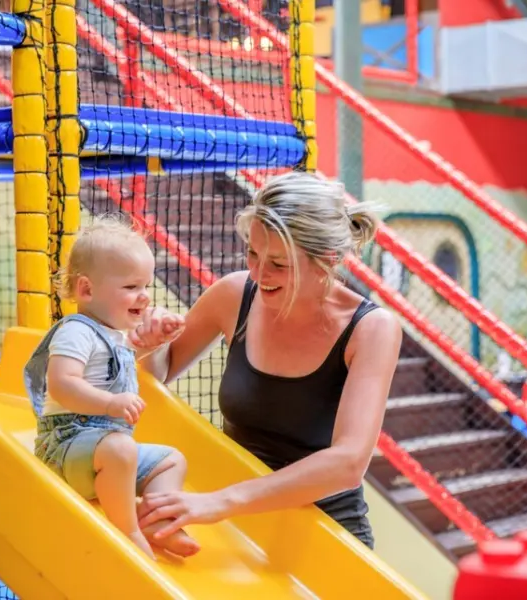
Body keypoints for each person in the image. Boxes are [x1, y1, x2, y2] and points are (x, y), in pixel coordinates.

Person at [131, 171, 402, 549]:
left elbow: (348, 463)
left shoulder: (372, 329)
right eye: (253, 254)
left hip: (325, 534)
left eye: (279, 263)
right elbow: (159, 376)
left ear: (328, 260)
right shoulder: (233, 294)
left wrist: (221, 501)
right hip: (240, 530)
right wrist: (152, 345)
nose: (259, 274)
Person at [23, 216, 200, 560]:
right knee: (121, 449)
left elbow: (124, 356)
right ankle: (128, 530)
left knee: (170, 460)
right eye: (132, 287)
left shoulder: (112, 335)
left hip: (100, 453)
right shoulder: (76, 331)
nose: (145, 297)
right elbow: (62, 383)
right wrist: (108, 403)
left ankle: (157, 522)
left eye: (146, 286)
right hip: (64, 449)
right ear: (87, 290)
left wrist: (158, 339)